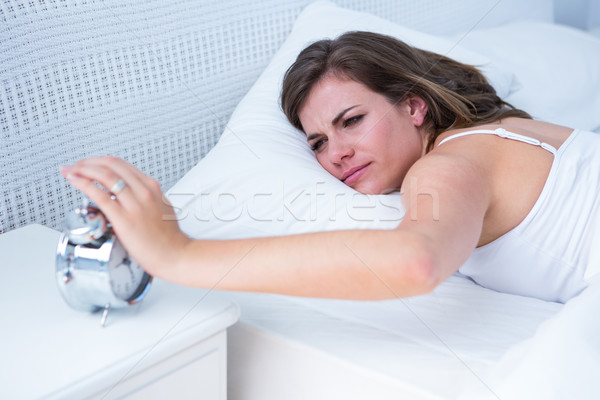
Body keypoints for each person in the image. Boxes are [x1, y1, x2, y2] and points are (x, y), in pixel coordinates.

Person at [61, 31, 600, 303]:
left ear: (414, 107)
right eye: (317, 141)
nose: (334, 153)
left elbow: (415, 260)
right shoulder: (516, 133)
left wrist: (179, 254)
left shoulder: (448, 165)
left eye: (352, 120)